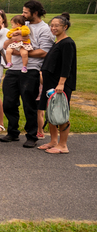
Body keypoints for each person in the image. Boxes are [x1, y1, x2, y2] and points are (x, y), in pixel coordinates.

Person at [0, 0, 55, 148]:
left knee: (29, 104)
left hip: (30, 70)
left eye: (25, 12)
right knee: (9, 102)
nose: (23, 14)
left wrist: (21, 53)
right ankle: (13, 132)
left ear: (35, 13)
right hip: (12, 70)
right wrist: (13, 40)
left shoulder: (45, 29)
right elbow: (5, 44)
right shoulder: (21, 24)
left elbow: (44, 52)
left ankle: (32, 135)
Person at [38, 13, 76, 154]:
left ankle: (63, 145)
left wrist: (61, 83)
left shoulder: (67, 43)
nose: (53, 28)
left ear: (65, 27)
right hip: (50, 84)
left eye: (57, 25)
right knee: (51, 113)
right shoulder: (57, 42)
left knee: (60, 113)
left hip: (60, 85)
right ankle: (54, 141)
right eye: (51, 25)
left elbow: (67, 66)